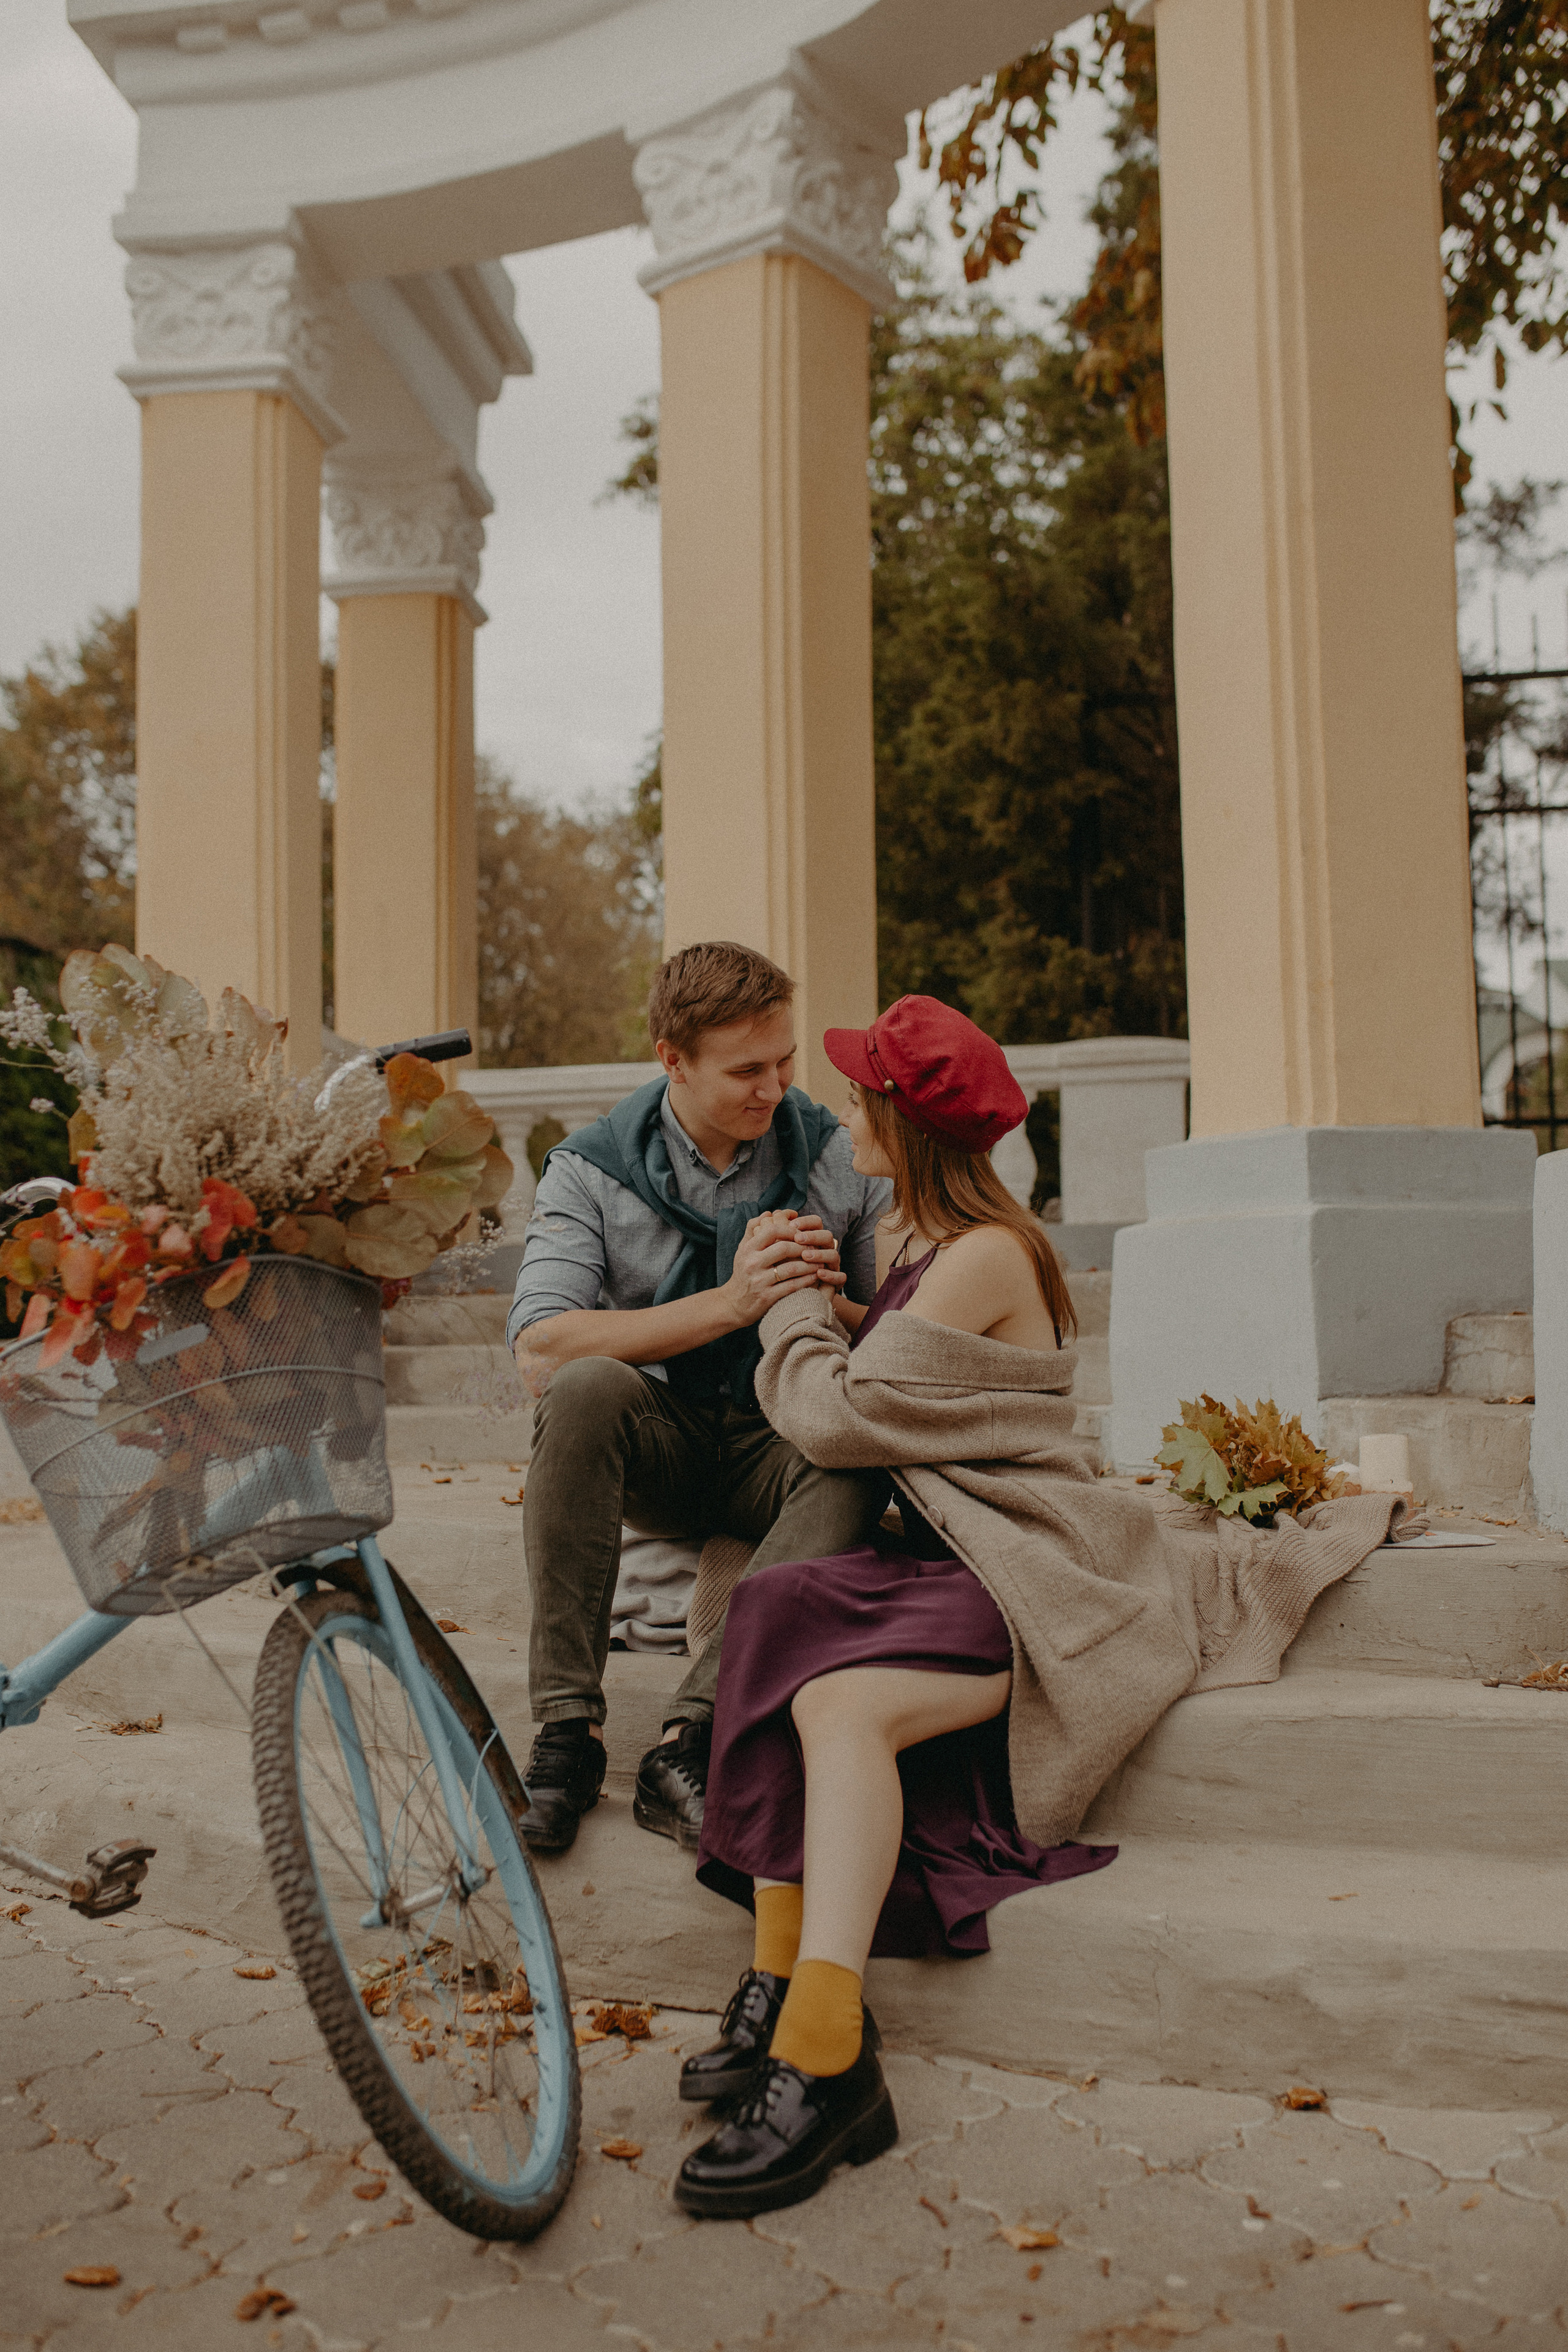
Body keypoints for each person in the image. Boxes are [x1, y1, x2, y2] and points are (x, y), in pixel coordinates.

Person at [507, 941, 894, 1853]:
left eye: (784, 1062)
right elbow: (541, 1347)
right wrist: (732, 1300)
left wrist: (827, 1298)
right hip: (666, 1448)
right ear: (672, 1061)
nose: (774, 1090)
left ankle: (689, 1739)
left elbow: (904, 1328)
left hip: (784, 1439)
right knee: (587, 1388)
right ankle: (566, 1731)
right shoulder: (590, 1169)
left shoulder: (836, 1153)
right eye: (745, 1071)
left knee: (860, 1448)